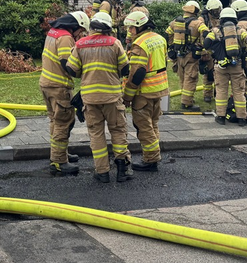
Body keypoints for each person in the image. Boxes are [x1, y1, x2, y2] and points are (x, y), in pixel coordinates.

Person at [65, 12, 132, 183]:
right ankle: (122, 170)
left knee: (96, 134)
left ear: (92, 27)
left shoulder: (80, 44)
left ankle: (102, 172)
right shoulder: (114, 43)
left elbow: (71, 70)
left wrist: (85, 71)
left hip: (90, 99)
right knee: (118, 131)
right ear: (107, 28)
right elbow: (125, 69)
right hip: (112, 97)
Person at [39, 11, 90, 176]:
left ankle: (59, 154)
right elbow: (66, 63)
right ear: (74, 26)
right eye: (80, 31)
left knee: (55, 120)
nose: (80, 34)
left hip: (46, 84)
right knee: (64, 122)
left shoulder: (53, 32)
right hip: (59, 87)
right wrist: (85, 74)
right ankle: (59, 162)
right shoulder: (66, 38)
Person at [122, 11, 168, 171]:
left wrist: (127, 95)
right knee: (153, 124)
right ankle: (153, 155)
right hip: (159, 89)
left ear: (138, 27)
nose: (129, 30)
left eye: (131, 27)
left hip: (144, 92)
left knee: (143, 126)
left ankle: (151, 159)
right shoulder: (159, 38)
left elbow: (137, 73)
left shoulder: (139, 45)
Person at [202, 7, 247, 126]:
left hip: (220, 67)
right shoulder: (239, 31)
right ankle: (242, 118)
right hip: (237, 66)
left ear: (221, 19)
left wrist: (213, 53)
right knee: (239, 91)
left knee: (221, 91)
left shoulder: (216, 31)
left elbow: (206, 44)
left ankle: (221, 117)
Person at [166, 0, 207, 111]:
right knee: (191, 78)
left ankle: (187, 99)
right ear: (196, 10)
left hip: (179, 55)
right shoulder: (198, 23)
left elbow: (168, 34)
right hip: (192, 56)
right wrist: (203, 49)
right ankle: (187, 103)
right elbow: (206, 35)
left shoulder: (175, 22)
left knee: (183, 78)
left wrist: (172, 47)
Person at [200, 0, 223, 103]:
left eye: (218, 10)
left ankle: (217, 93)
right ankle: (207, 95)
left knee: (219, 73)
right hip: (208, 49)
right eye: (215, 11)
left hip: (218, 49)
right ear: (209, 10)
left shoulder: (221, 18)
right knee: (208, 74)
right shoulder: (203, 19)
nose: (217, 13)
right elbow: (202, 34)